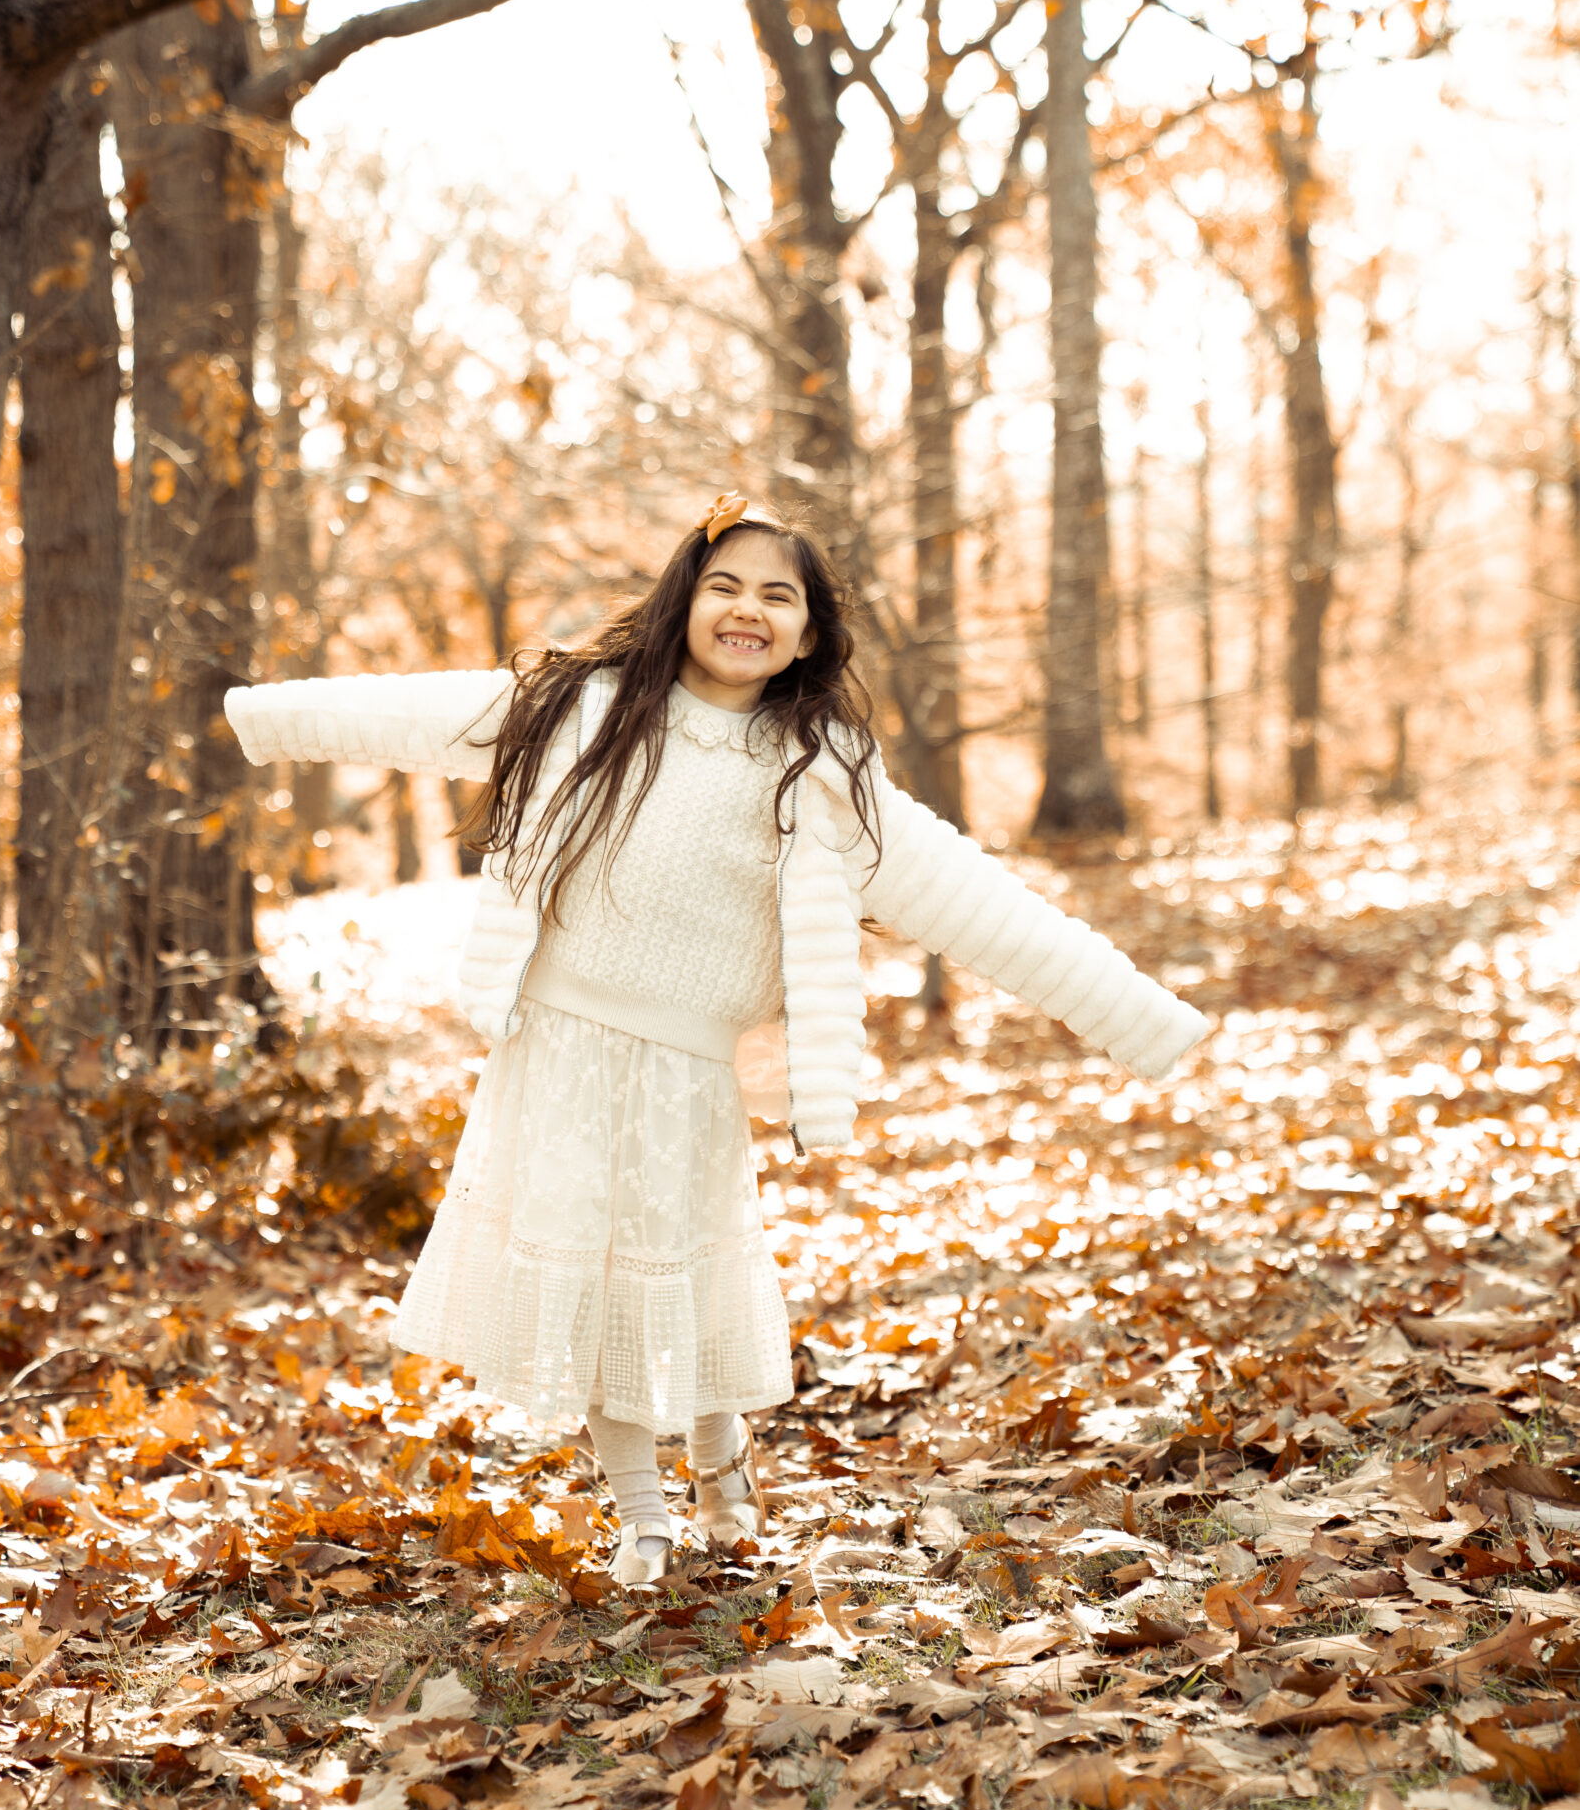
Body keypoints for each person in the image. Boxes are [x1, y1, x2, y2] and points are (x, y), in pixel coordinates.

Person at [225, 495, 1205, 1587]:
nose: (747, 609)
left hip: (689, 1073)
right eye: (724, 584)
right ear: (682, 600)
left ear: (811, 633)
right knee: (596, 1282)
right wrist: (254, 719)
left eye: (777, 596)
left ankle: (719, 1443)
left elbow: (985, 906)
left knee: (677, 1276)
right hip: (557, 1052)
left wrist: (1144, 1022)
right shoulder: (580, 711)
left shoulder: (825, 775)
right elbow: (403, 715)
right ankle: (643, 1510)